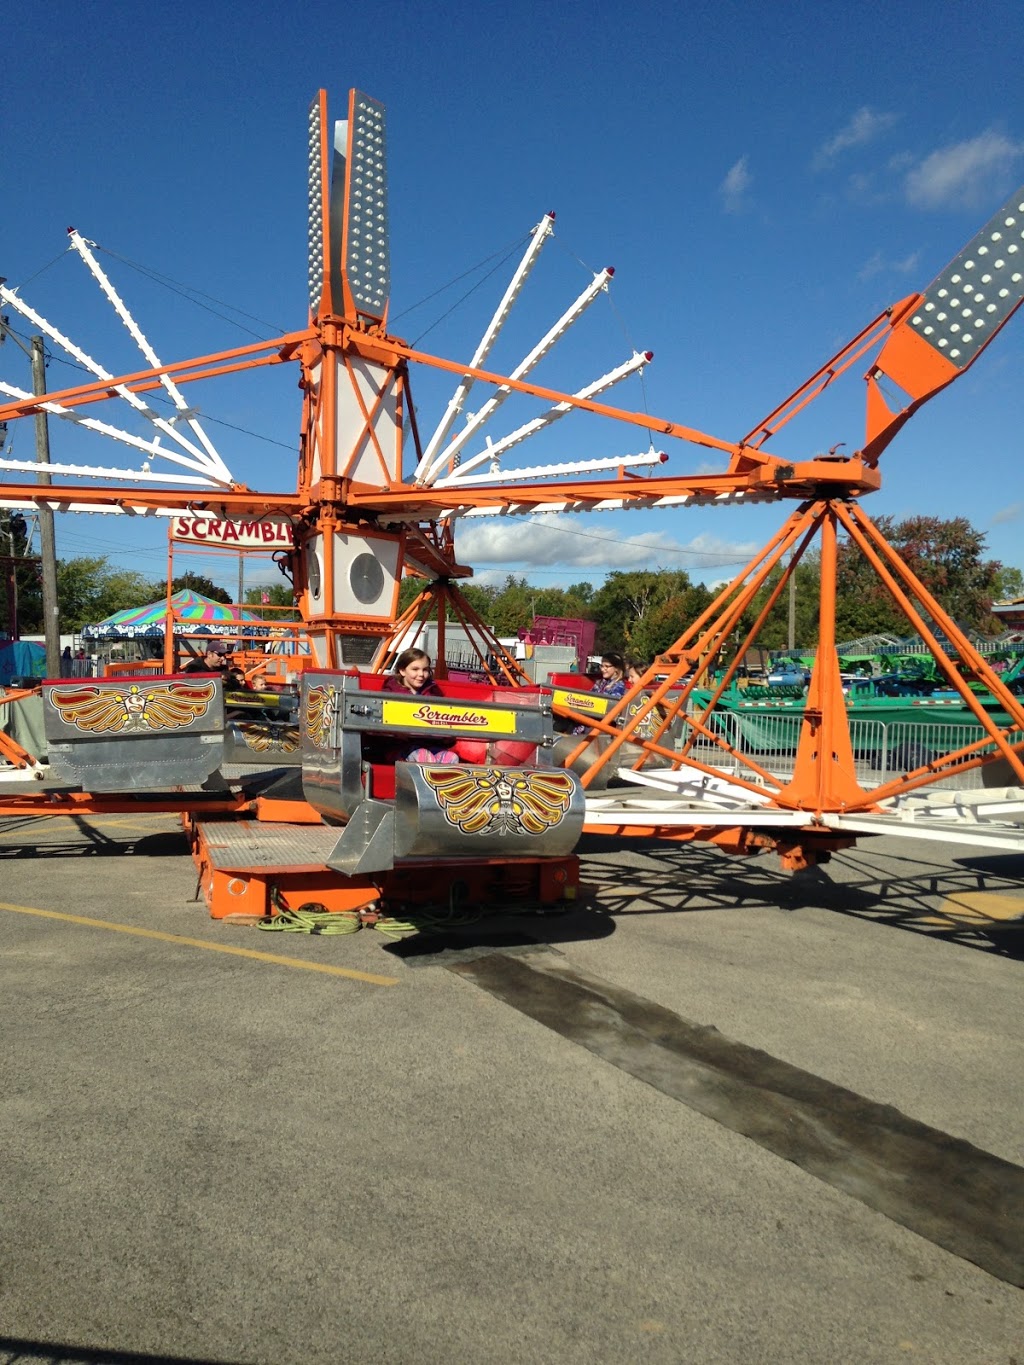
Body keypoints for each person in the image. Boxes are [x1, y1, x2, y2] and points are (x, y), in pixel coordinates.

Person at [381, 648, 459, 764]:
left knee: (451, 757)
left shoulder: (434, 693)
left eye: (425, 670)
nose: (421, 674)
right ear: (402, 671)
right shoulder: (391, 693)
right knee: (422, 755)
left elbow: (443, 719)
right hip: (399, 747)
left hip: (429, 744)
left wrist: (447, 735)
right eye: (415, 669)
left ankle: (441, 776)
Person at [573, 652, 628, 733]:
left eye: (607, 666)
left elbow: (611, 707)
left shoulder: (619, 686)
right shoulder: (600, 682)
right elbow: (589, 695)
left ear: (616, 668)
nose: (602, 669)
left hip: (602, 723)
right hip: (590, 716)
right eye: (602, 666)